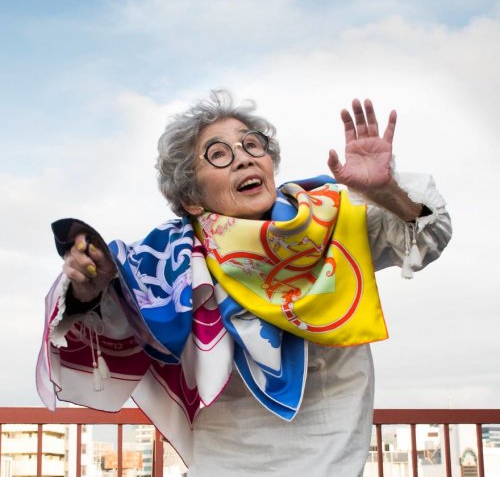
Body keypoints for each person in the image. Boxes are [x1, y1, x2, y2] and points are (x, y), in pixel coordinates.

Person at [37, 90, 452, 476]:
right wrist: (88, 287)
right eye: (218, 154)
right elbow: (110, 316)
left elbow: (426, 237)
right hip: (226, 460)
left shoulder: (331, 220)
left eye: (252, 145)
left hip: (332, 455)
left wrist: (386, 192)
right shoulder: (170, 260)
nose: (243, 159)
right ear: (191, 199)